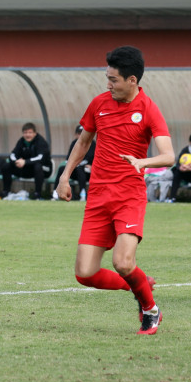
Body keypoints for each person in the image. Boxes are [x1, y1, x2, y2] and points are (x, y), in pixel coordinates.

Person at [55, 45, 174, 335]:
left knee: (122, 262)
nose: (108, 84)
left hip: (129, 196)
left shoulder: (148, 109)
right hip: (98, 196)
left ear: (132, 80)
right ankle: (140, 284)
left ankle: (150, 310)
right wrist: (65, 175)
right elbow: (83, 143)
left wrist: (142, 161)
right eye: (107, 78)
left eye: (114, 80)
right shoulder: (99, 104)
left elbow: (169, 155)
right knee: (84, 274)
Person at [0, 122, 52, 200]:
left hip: (43, 169)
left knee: (37, 166)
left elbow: (40, 158)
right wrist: (16, 162)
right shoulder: (21, 141)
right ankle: (5, 193)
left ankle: (37, 194)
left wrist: (25, 162)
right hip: (26, 168)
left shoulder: (41, 142)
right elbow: (13, 155)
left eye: (30, 133)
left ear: (35, 133)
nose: (27, 135)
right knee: (6, 166)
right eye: (25, 133)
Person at [52, 125, 95, 201]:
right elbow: (69, 158)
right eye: (79, 133)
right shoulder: (74, 143)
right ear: (76, 135)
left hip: (89, 171)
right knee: (61, 169)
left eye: (82, 133)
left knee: (80, 169)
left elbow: (93, 158)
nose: (81, 135)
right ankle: (55, 193)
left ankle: (83, 193)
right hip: (76, 169)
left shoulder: (93, 143)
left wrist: (90, 165)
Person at [168, 132, 191, 202]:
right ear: (190, 142)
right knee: (176, 172)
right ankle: (172, 198)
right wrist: (181, 168)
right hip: (186, 174)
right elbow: (177, 164)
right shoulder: (185, 150)